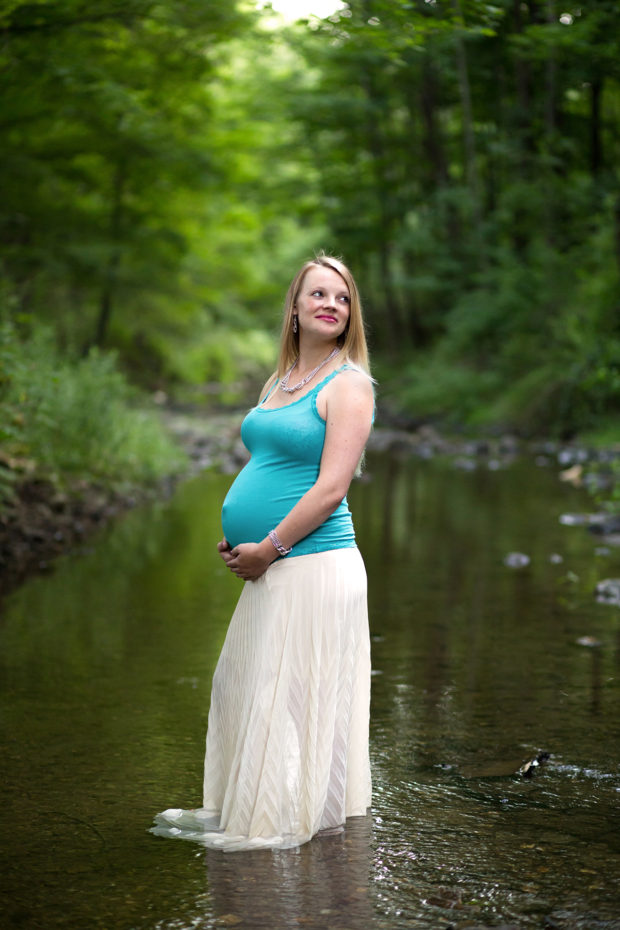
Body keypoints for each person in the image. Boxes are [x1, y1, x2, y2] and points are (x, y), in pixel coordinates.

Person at [152, 253, 374, 851]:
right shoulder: (278, 383)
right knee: (248, 689)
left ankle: (283, 823)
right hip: (275, 562)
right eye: (319, 294)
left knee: (290, 700)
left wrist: (268, 547)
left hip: (314, 562)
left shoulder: (349, 383)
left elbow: (331, 488)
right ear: (296, 310)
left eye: (343, 297)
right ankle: (251, 807)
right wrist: (242, 533)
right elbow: (271, 463)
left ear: (349, 314)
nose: (331, 304)